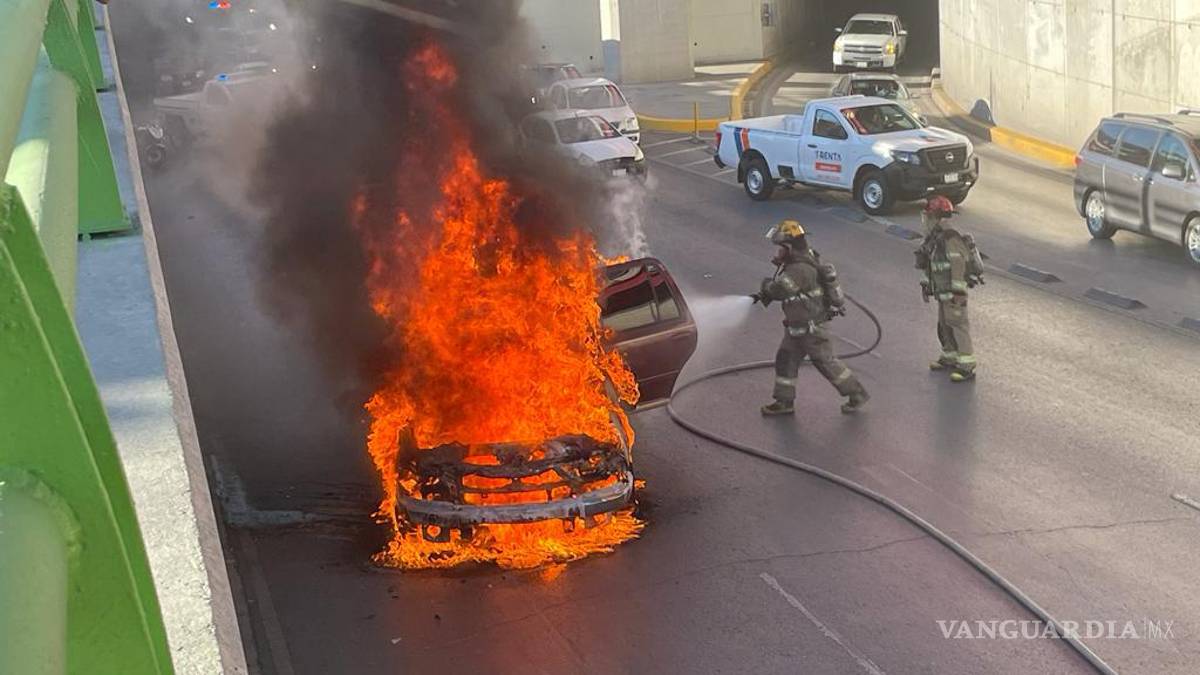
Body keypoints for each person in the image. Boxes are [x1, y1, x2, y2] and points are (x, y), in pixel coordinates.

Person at [752, 220, 869, 416]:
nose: (777, 252)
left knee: (826, 363)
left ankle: (857, 393)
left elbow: (779, 290)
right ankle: (784, 402)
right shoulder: (801, 260)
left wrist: (766, 286)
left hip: (811, 329)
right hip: (797, 327)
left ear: (789, 248)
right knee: (785, 359)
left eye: (780, 248)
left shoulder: (799, 269)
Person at [915, 196, 984, 382]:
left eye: (928, 216)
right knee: (945, 324)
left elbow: (957, 264)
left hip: (953, 293)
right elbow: (933, 264)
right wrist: (927, 283)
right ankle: (949, 356)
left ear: (935, 217)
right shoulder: (936, 237)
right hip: (942, 291)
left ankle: (967, 365)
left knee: (958, 325)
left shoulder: (950, 237)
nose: (925, 220)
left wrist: (958, 293)